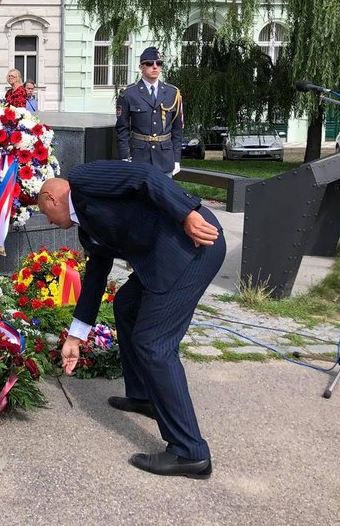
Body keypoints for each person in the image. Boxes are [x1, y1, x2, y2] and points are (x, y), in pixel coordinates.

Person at [37, 160, 224, 479]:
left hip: (190, 247)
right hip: (162, 259)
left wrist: (187, 213)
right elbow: (95, 280)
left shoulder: (83, 179)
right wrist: (74, 338)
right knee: (125, 304)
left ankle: (190, 452)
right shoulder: (88, 232)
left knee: (154, 345)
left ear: (52, 198)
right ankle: (143, 397)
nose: (50, 222)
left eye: (45, 214)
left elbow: (145, 176)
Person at [116, 47, 183, 176]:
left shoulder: (172, 93)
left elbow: (177, 129)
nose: (155, 67)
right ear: (141, 67)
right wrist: (124, 157)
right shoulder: (129, 94)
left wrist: (176, 159)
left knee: (163, 196)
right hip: (139, 158)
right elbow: (122, 129)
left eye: (158, 63)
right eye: (149, 63)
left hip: (165, 159)